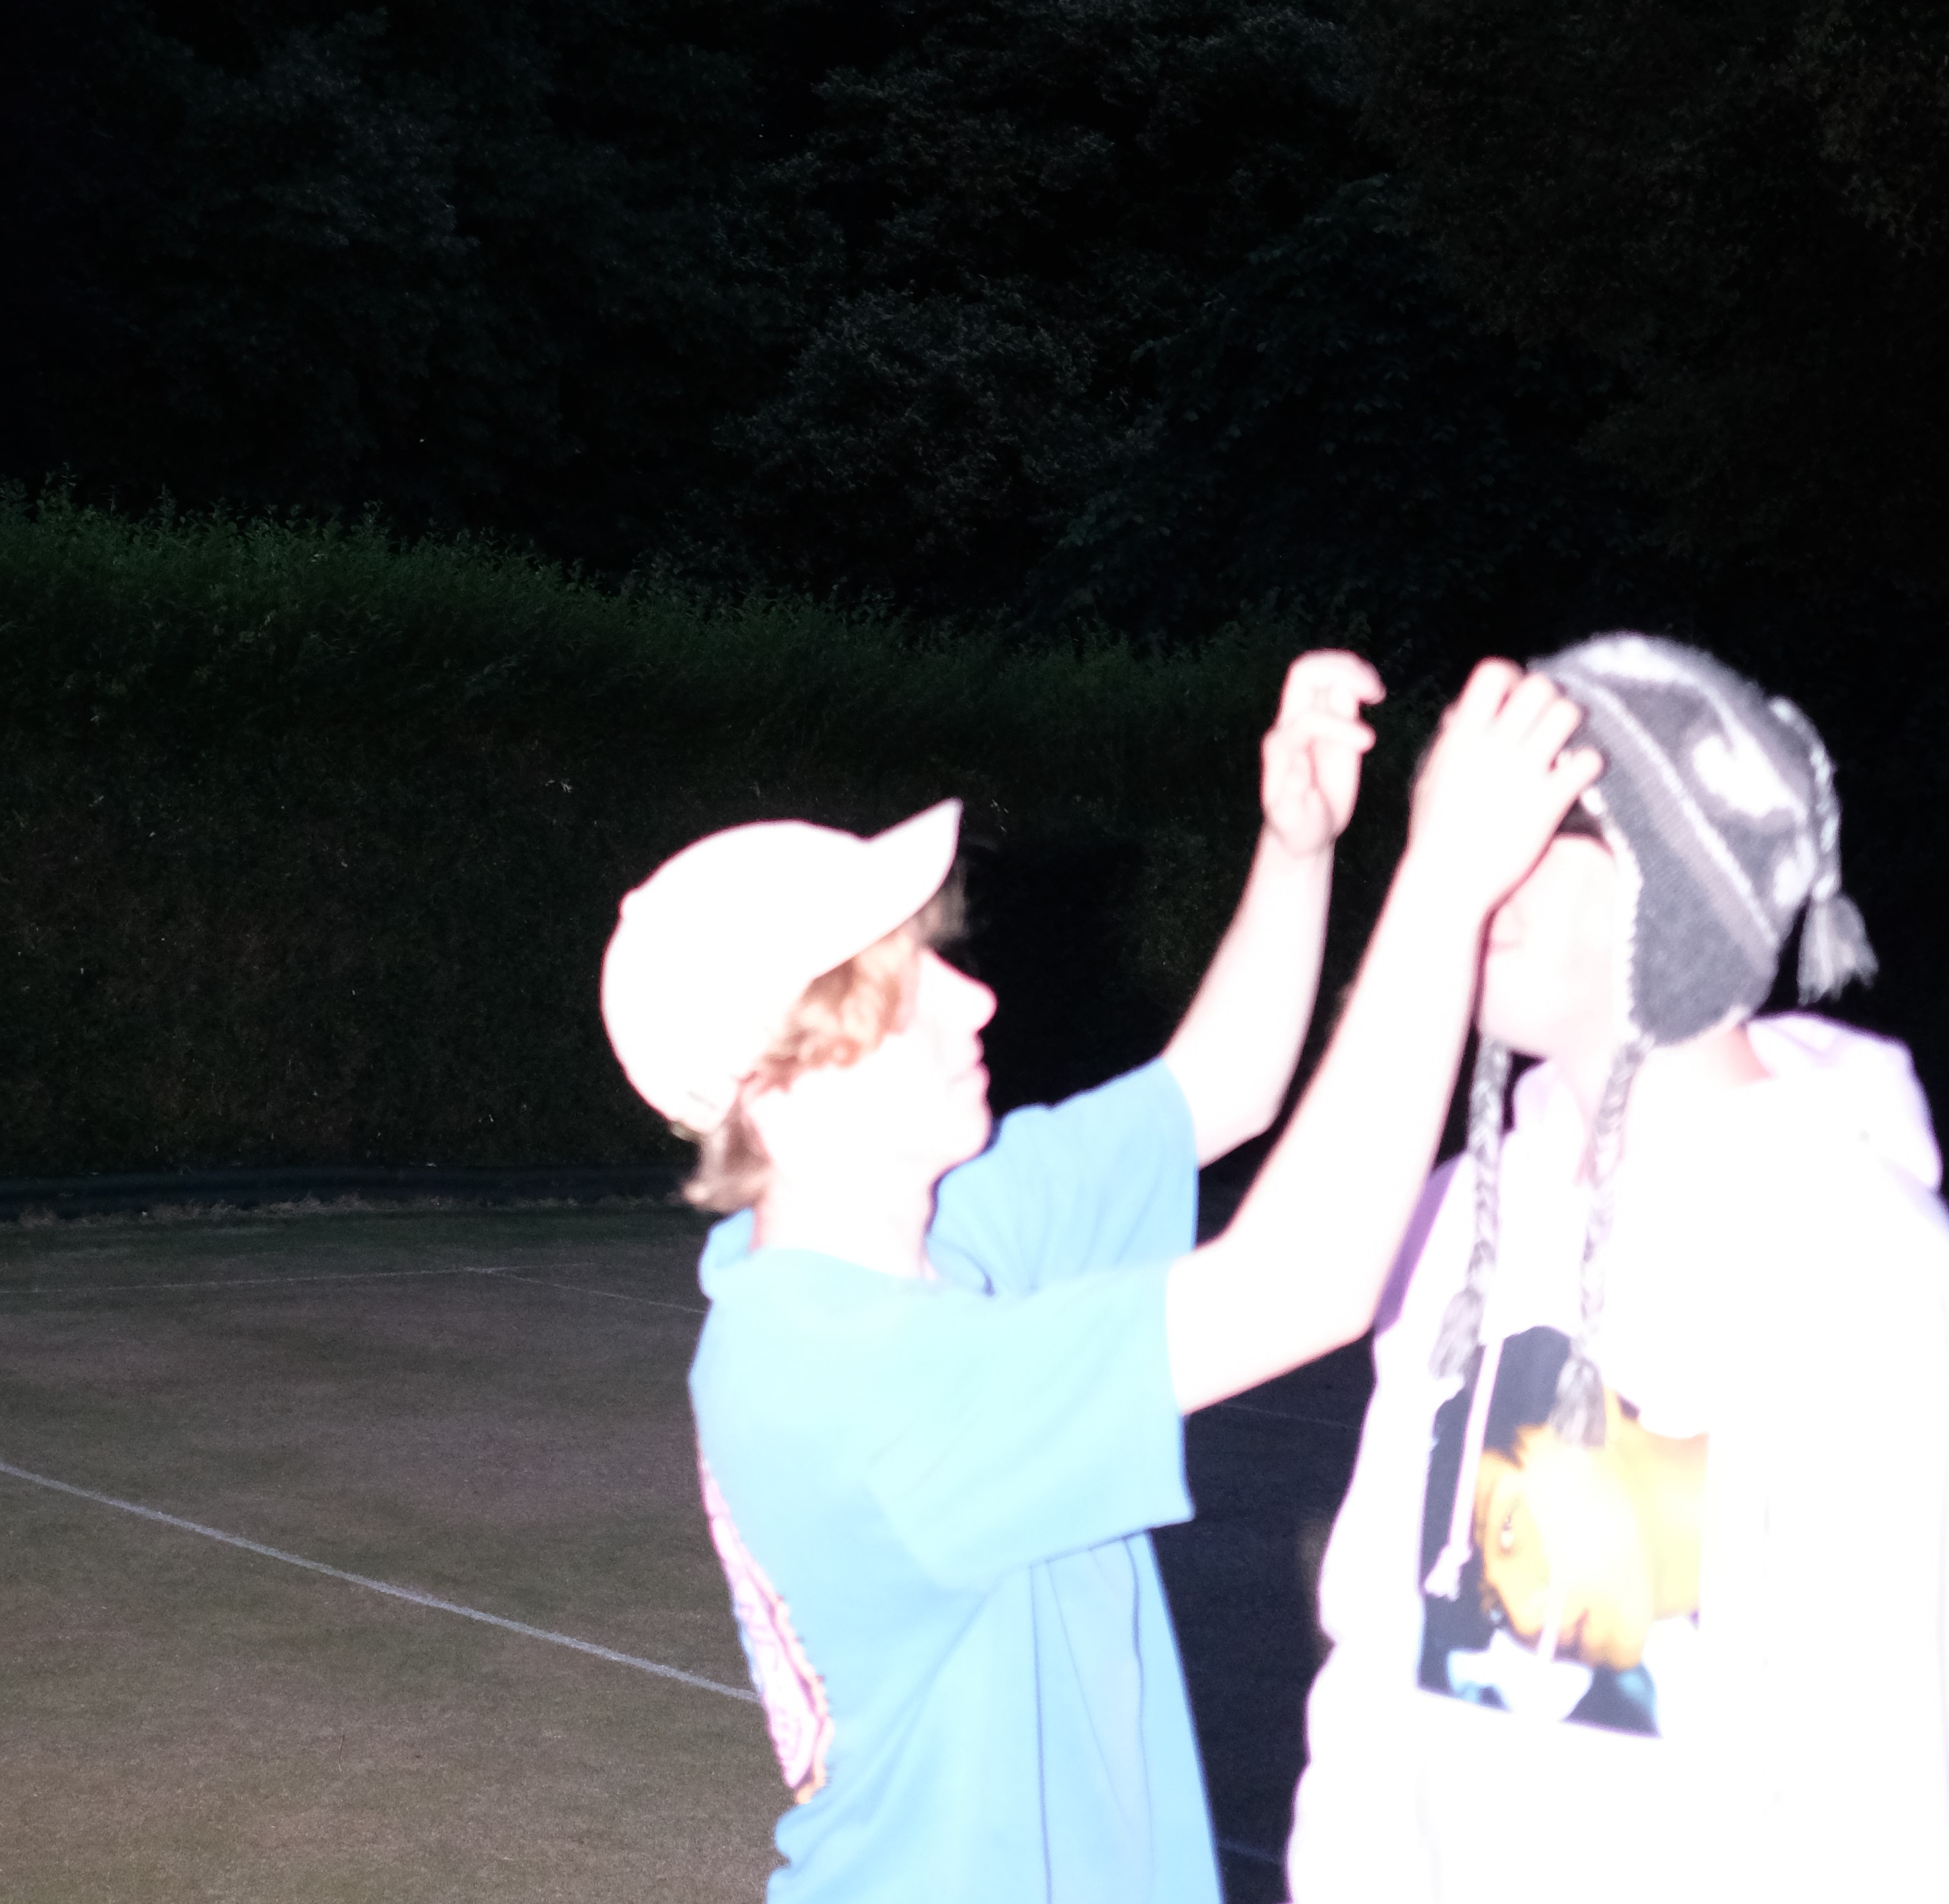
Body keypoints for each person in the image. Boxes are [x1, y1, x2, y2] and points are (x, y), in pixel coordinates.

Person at [597, 649, 1600, 1903]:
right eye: (903, 996)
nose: (972, 1000)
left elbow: (1219, 1089)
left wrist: (1297, 850)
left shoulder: (912, 1235)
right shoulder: (852, 1384)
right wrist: (1443, 885)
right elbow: (1306, 1281)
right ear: (785, 1104)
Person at [1289, 630, 1949, 1904]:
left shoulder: (1874, 1277)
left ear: (1668, 886)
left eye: (1529, 826)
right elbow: (1375, 1658)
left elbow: (1896, 1800)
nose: (1467, 865)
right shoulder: (1463, 1223)